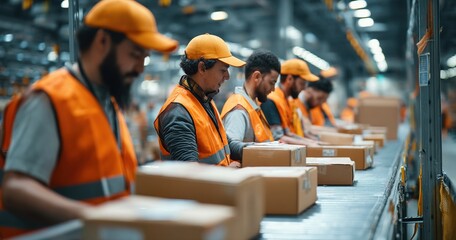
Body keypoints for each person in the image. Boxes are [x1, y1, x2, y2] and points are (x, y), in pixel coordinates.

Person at [0, 0, 178, 237]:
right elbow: (15, 189)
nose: (139, 68)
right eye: (135, 54)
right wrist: (91, 217)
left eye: (144, 58)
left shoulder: (107, 102)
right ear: (102, 41)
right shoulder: (50, 99)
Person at [154, 33, 245, 166]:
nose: (227, 76)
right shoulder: (178, 111)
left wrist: (260, 149)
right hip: (212, 185)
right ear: (202, 68)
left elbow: (225, 141)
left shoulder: (204, 99)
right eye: (223, 70)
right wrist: (226, 172)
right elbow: (190, 173)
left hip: (220, 185)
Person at [220, 50, 280, 150]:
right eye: (272, 82)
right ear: (257, 77)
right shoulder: (238, 110)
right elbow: (231, 149)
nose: (273, 89)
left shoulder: (252, 105)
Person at [261, 58, 320, 145]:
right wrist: (309, 144)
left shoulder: (288, 102)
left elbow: (288, 133)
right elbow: (277, 137)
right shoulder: (271, 101)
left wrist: (311, 142)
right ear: (289, 79)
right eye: (302, 83)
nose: (304, 88)